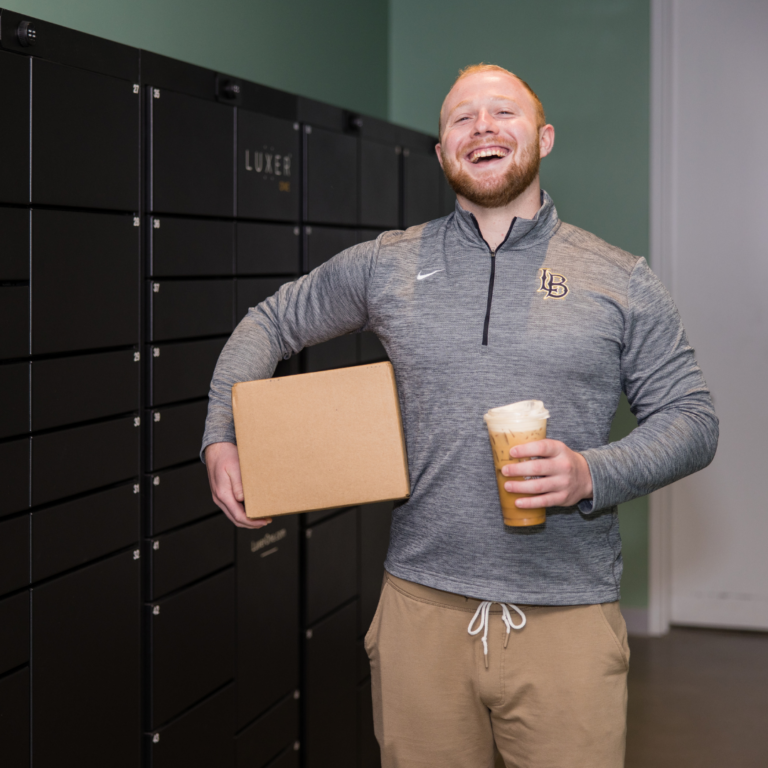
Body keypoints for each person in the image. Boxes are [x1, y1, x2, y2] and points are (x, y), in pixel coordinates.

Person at [202, 64, 718, 767]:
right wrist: (223, 434)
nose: (482, 127)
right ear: (443, 150)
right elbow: (270, 321)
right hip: (420, 614)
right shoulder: (387, 263)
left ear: (543, 138)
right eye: (461, 118)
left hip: (568, 619)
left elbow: (692, 418)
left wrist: (590, 474)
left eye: (503, 112)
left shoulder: (620, 278)